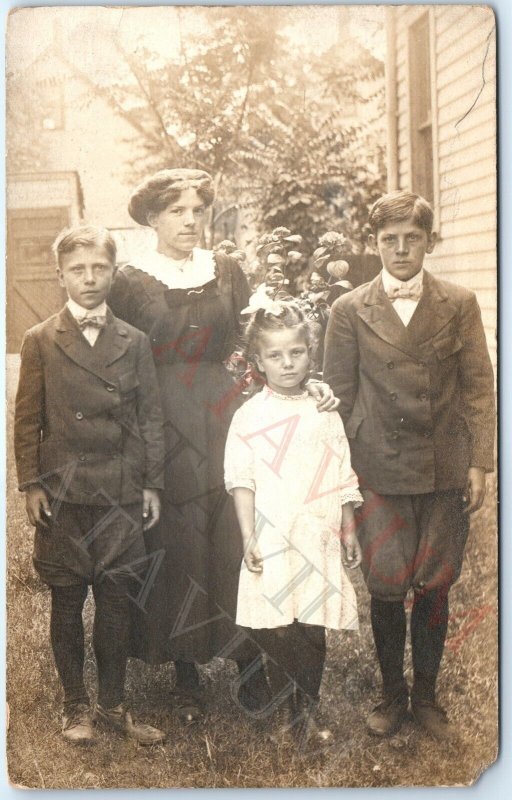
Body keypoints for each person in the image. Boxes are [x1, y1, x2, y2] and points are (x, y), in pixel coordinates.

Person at [108, 168, 339, 723]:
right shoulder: (130, 280)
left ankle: (250, 663)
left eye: (197, 210)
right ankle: (184, 667)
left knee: (238, 534)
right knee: (180, 538)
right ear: (152, 217)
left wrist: (307, 383)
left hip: (225, 413)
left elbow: (260, 341)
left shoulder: (227, 270)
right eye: (176, 211)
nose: (190, 221)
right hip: (160, 414)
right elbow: (115, 357)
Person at [323, 190, 495, 741]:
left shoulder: (460, 302)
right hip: (379, 469)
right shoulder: (348, 310)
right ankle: (391, 696)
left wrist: (480, 463)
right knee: (387, 584)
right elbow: (340, 399)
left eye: (412, 239)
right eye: (388, 240)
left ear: (428, 241)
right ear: (374, 245)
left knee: (437, 584)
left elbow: (478, 389)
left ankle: (427, 697)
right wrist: (343, 478)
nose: (400, 250)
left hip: (444, 466)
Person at [14, 225, 166, 745]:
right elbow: (27, 420)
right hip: (64, 492)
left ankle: (114, 704)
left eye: (99, 268)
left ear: (113, 272)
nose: (89, 278)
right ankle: (74, 705)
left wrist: (151, 484)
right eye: (77, 269)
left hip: (120, 490)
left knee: (117, 597)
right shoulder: (40, 340)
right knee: (67, 596)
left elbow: (150, 418)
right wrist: (32, 484)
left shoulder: (134, 341)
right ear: (60, 277)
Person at [224, 301, 363, 745]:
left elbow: (341, 471)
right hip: (273, 529)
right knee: (274, 622)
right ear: (258, 361)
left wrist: (349, 527)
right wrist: (249, 536)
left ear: (310, 354)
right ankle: (287, 696)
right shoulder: (249, 416)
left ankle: (304, 711)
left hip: (316, 529)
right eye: (276, 356)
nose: (288, 364)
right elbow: (241, 481)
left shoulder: (324, 411)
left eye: (297, 353)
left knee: (313, 621)